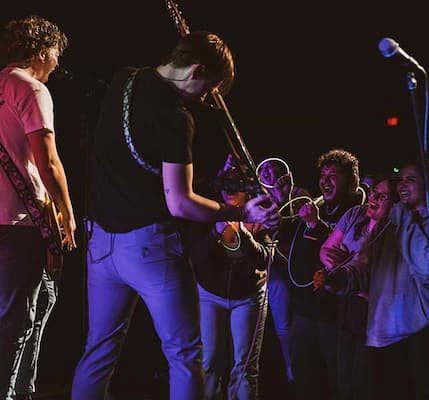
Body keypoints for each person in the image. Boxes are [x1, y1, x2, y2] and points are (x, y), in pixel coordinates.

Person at [70, 31, 280, 400]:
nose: (203, 99)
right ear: (196, 69)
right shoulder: (176, 117)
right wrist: (239, 211)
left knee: (98, 352)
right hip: (150, 249)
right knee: (184, 355)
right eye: (206, 89)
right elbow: (180, 203)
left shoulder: (124, 79)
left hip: (101, 245)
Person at [316, 158, 429, 399]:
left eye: (411, 179)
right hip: (384, 331)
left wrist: (405, 218)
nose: (403, 185)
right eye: (401, 180)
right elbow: (363, 266)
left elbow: (427, 267)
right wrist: (339, 278)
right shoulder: (389, 223)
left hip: (423, 331)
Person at [0, 15, 77, 400]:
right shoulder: (30, 89)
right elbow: (47, 162)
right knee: (17, 319)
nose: (58, 64)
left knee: (37, 303)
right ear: (42, 50)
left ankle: (23, 388)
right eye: (56, 54)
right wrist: (66, 213)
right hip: (18, 221)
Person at [187, 156, 272, 400]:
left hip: (248, 296)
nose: (230, 191)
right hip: (210, 295)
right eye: (227, 184)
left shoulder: (259, 215)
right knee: (209, 362)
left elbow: (264, 260)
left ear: (247, 190)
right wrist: (217, 229)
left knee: (244, 366)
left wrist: (243, 232)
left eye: (237, 185)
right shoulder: (208, 212)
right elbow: (196, 256)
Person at [288, 148, 366, 400]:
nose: (325, 180)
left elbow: (336, 254)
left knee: (339, 380)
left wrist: (315, 225)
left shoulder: (359, 213)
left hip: (335, 315)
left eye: (333, 175)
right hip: (304, 309)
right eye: (323, 175)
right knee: (304, 379)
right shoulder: (317, 207)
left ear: (353, 179)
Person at [318, 175, 399, 400]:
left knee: (364, 377)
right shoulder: (355, 215)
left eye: (382, 195)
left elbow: (378, 280)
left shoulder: (393, 232)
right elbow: (325, 250)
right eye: (373, 192)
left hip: (373, 313)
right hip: (346, 305)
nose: (373, 197)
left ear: (394, 203)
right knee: (342, 375)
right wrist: (345, 267)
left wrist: (346, 264)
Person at [256, 157, 311, 385]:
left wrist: (285, 198)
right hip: (273, 271)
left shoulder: (300, 195)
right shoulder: (258, 203)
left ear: (283, 173)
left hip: (296, 270)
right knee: (277, 325)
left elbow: (301, 228)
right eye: (264, 170)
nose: (269, 172)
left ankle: (299, 369)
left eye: (273, 168)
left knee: (293, 322)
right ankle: (288, 369)